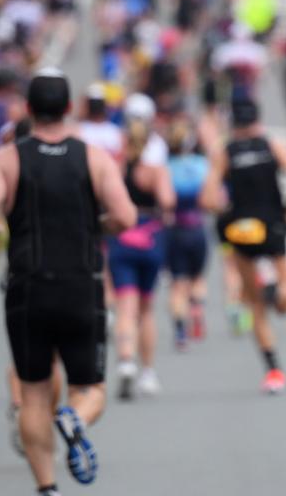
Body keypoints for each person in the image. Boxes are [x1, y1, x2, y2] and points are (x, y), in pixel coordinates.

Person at [0, 69, 137, 495]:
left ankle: (47, 487)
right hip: (82, 285)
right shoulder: (94, 158)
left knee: (34, 392)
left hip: (28, 288)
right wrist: (94, 225)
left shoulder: (5, 160)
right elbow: (126, 217)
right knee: (91, 387)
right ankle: (76, 418)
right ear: (68, 109)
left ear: (28, 109)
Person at [200, 98, 286, 393]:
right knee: (285, 295)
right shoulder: (271, 146)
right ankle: (280, 293)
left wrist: (226, 213)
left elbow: (207, 198)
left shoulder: (225, 152)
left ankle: (273, 370)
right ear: (256, 119)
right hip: (272, 223)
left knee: (254, 305)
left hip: (241, 229)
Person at [109, 109, 176, 400]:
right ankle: (147, 372)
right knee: (146, 309)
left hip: (121, 239)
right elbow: (168, 201)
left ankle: (125, 361)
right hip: (150, 239)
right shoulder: (154, 171)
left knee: (125, 306)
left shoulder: (114, 168)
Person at [165, 118, 211, 350]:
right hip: (197, 227)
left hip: (175, 230)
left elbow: (164, 200)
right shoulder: (202, 165)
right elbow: (213, 196)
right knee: (198, 278)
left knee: (177, 283)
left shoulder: (166, 167)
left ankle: (181, 331)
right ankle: (197, 307)